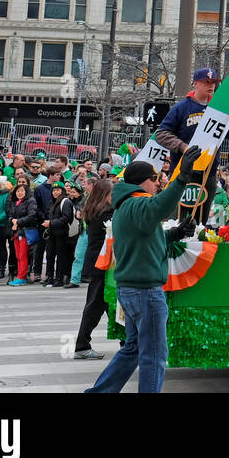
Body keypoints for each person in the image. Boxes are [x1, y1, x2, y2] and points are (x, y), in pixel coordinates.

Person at [85, 149, 201, 393]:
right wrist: (182, 179)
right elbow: (159, 207)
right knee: (154, 355)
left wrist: (176, 234)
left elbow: (145, 239)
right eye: (154, 179)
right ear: (142, 181)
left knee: (134, 349)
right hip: (145, 290)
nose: (158, 184)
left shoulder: (127, 204)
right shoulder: (138, 202)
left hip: (132, 288)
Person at [154, 67, 229, 223]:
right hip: (182, 170)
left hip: (208, 172)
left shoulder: (220, 108)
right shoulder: (182, 107)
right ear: (195, 83)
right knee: (178, 218)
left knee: (202, 220)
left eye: (213, 82)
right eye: (206, 82)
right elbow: (161, 134)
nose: (210, 85)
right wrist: (183, 147)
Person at [73, 177, 114, 359]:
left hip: (98, 263)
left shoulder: (94, 210)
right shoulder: (106, 213)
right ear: (105, 195)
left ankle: (128, 342)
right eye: (112, 194)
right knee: (95, 306)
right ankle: (82, 345)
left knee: (108, 305)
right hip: (102, 264)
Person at [42, 182, 77, 287]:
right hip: (52, 233)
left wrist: (51, 223)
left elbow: (66, 218)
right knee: (50, 255)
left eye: (58, 190)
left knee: (61, 256)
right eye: (53, 190)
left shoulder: (65, 202)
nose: (55, 192)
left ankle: (59, 278)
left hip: (62, 234)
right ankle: (49, 277)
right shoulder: (51, 202)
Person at [6, 183, 39, 285]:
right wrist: (13, 221)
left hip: (25, 231)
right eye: (17, 191)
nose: (19, 193)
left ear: (26, 192)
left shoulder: (31, 201)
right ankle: (20, 275)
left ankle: (22, 277)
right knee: (18, 255)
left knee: (23, 255)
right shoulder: (15, 202)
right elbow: (10, 215)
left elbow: (32, 215)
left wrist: (18, 221)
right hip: (16, 232)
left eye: (22, 191)